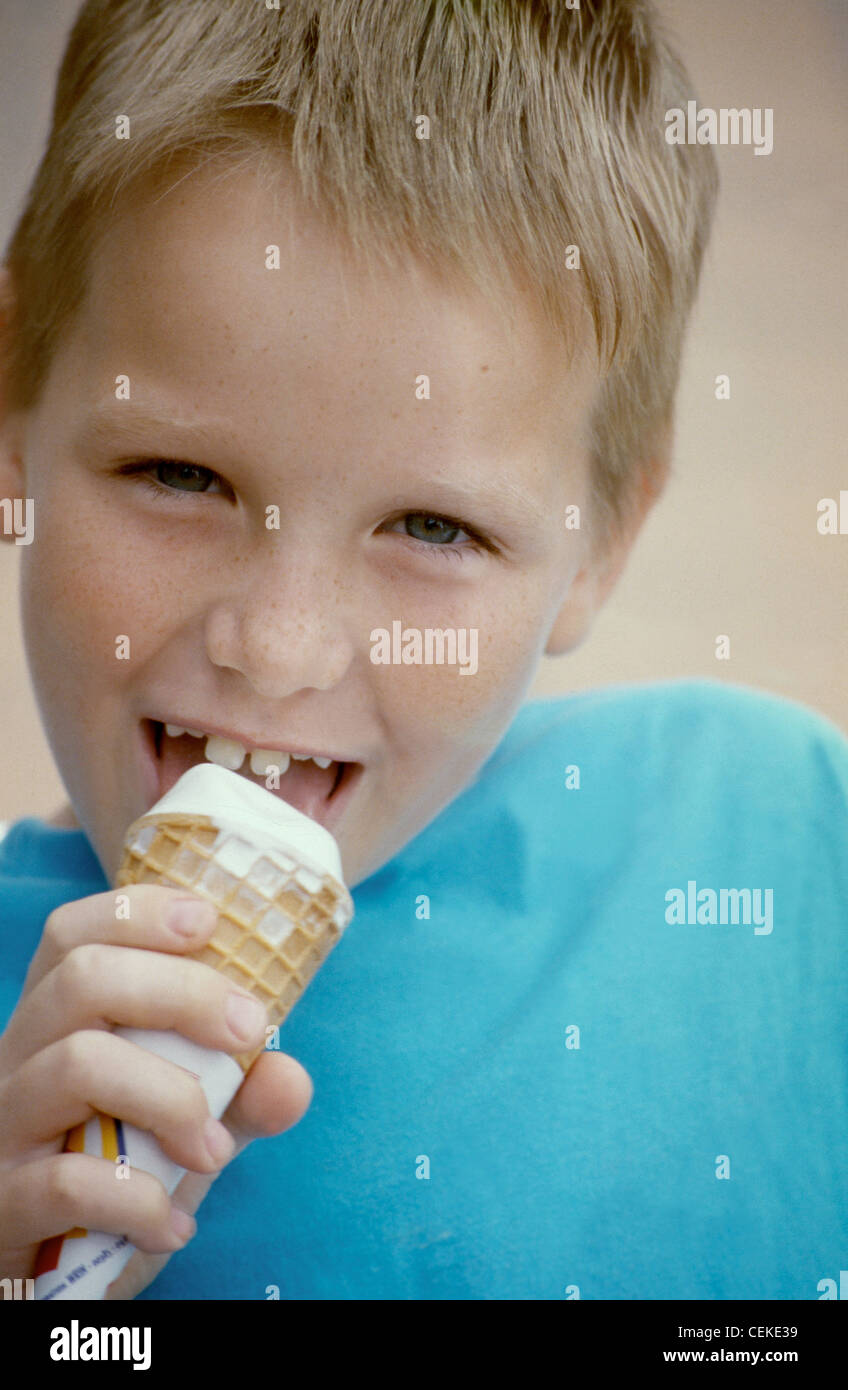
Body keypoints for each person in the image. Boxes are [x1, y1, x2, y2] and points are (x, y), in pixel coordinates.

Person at [0, 0, 844, 1301]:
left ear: (604, 537)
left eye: (433, 526)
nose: (276, 653)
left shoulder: (777, 838)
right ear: (13, 390)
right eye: (180, 473)